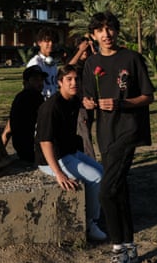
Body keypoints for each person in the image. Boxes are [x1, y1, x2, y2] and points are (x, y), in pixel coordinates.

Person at [82, 11, 155, 263]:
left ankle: (117, 249)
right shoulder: (91, 64)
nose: (106, 34)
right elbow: (86, 97)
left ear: (116, 30)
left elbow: (148, 96)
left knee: (105, 191)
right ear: (93, 35)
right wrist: (88, 102)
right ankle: (130, 246)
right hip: (105, 133)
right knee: (119, 190)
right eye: (100, 30)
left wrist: (121, 104)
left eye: (110, 28)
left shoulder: (131, 58)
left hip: (128, 130)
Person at [35, 64, 106, 241]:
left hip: (69, 152)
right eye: (69, 79)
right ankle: (89, 224)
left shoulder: (72, 99)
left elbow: (82, 100)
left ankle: (95, 213)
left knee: (101, 171)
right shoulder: (51, 107)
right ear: (59, 82)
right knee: (96, 176)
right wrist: (59, 174)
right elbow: (45, 142)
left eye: (76, 79)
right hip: (51, 159)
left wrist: (88, 102)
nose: (74, 83)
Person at [1, 65, 46, 163]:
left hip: (20, 147)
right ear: (25, 83)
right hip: (29, 148)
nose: (40, 83)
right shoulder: (34, 97)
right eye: (35, 79)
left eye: (41, 79)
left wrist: (1, 151)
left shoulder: (19, 97)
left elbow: (8, 128)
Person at [69, 36, 96, 159]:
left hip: (90, 103)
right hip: (79, 105)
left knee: (85, 132)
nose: (85, 52)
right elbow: (67, 69)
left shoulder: (90, 63)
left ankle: (82, 159)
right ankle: (91, 162)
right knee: (84, 135)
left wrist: (92, 48)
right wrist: (81, 50)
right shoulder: (76, 64)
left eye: (87, 50)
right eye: (82, 50)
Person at [27, 27, 58, 99]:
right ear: (39, 43)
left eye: (53, 41)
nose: (51, 44)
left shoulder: (53, 63)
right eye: (47, 41)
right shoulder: (35, 63)